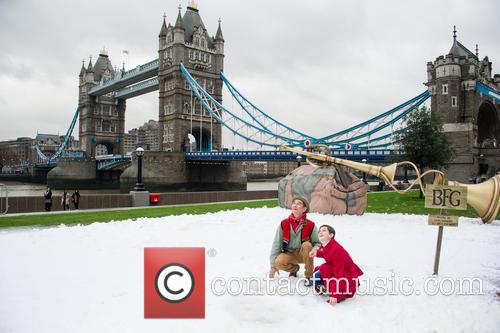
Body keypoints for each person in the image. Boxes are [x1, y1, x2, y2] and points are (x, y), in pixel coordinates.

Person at [308, 225, 363, 306]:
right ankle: (326, 286)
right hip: (335, 269)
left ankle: (333, 289)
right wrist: (317, 253)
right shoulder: (328, 245)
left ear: (331, 235)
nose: (320, 232)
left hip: (346, 275)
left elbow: (338, 274)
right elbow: (325, 253)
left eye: (324, 230)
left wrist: (334, 294)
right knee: (313, 279)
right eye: (319, 231)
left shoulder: (336, 249)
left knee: (318, 275)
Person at [268, 197, 321, 279]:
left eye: (299, 203)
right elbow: (276, 244)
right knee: (278, 262)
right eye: (294, 203)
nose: (295, 205)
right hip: (289, 254)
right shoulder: (284, 223)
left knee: (307, 245)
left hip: (304, 254)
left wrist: (314, 249)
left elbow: (318, 243)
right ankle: (294, 269)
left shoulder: (310, 225)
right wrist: (272, 265)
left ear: (304, 209)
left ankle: (309, 275)